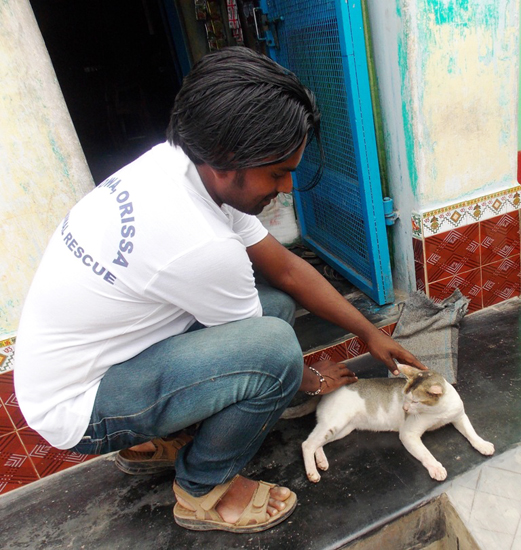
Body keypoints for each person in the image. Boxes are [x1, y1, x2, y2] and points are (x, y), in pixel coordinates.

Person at [14, 47, 425, 533]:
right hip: (76, 405)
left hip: (97, 361)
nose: (289, 187)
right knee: (275, 350)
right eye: (277, 173)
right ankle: (201, 490)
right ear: (228, 159)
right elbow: (269, 357)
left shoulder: (181, 166)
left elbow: (288, 271)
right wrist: (312, 380)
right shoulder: (200, 242)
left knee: (274, 307)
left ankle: (153, 443)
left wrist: (368, 332)